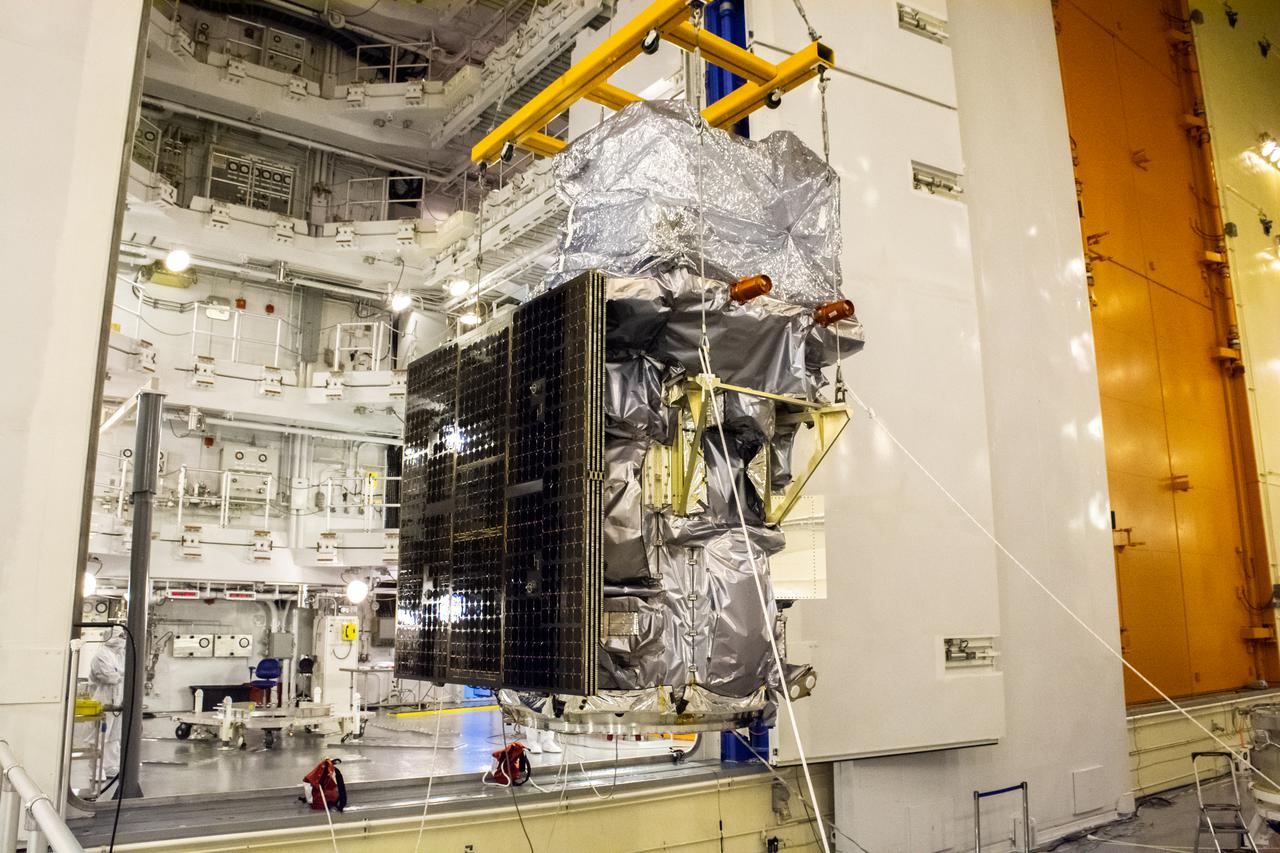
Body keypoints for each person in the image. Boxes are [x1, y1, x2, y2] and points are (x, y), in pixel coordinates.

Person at [88, 628, 126, 781]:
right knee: (99, 735)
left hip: (117, 701)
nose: (123, 639)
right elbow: (109, 677)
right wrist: (121, 675)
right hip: (103, 701)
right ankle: (96, 770)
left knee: (114, 736)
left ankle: (110, 766)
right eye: (120, 636)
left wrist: (121, 675)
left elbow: (123, 674)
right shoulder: (101, 655)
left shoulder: (118, 655)